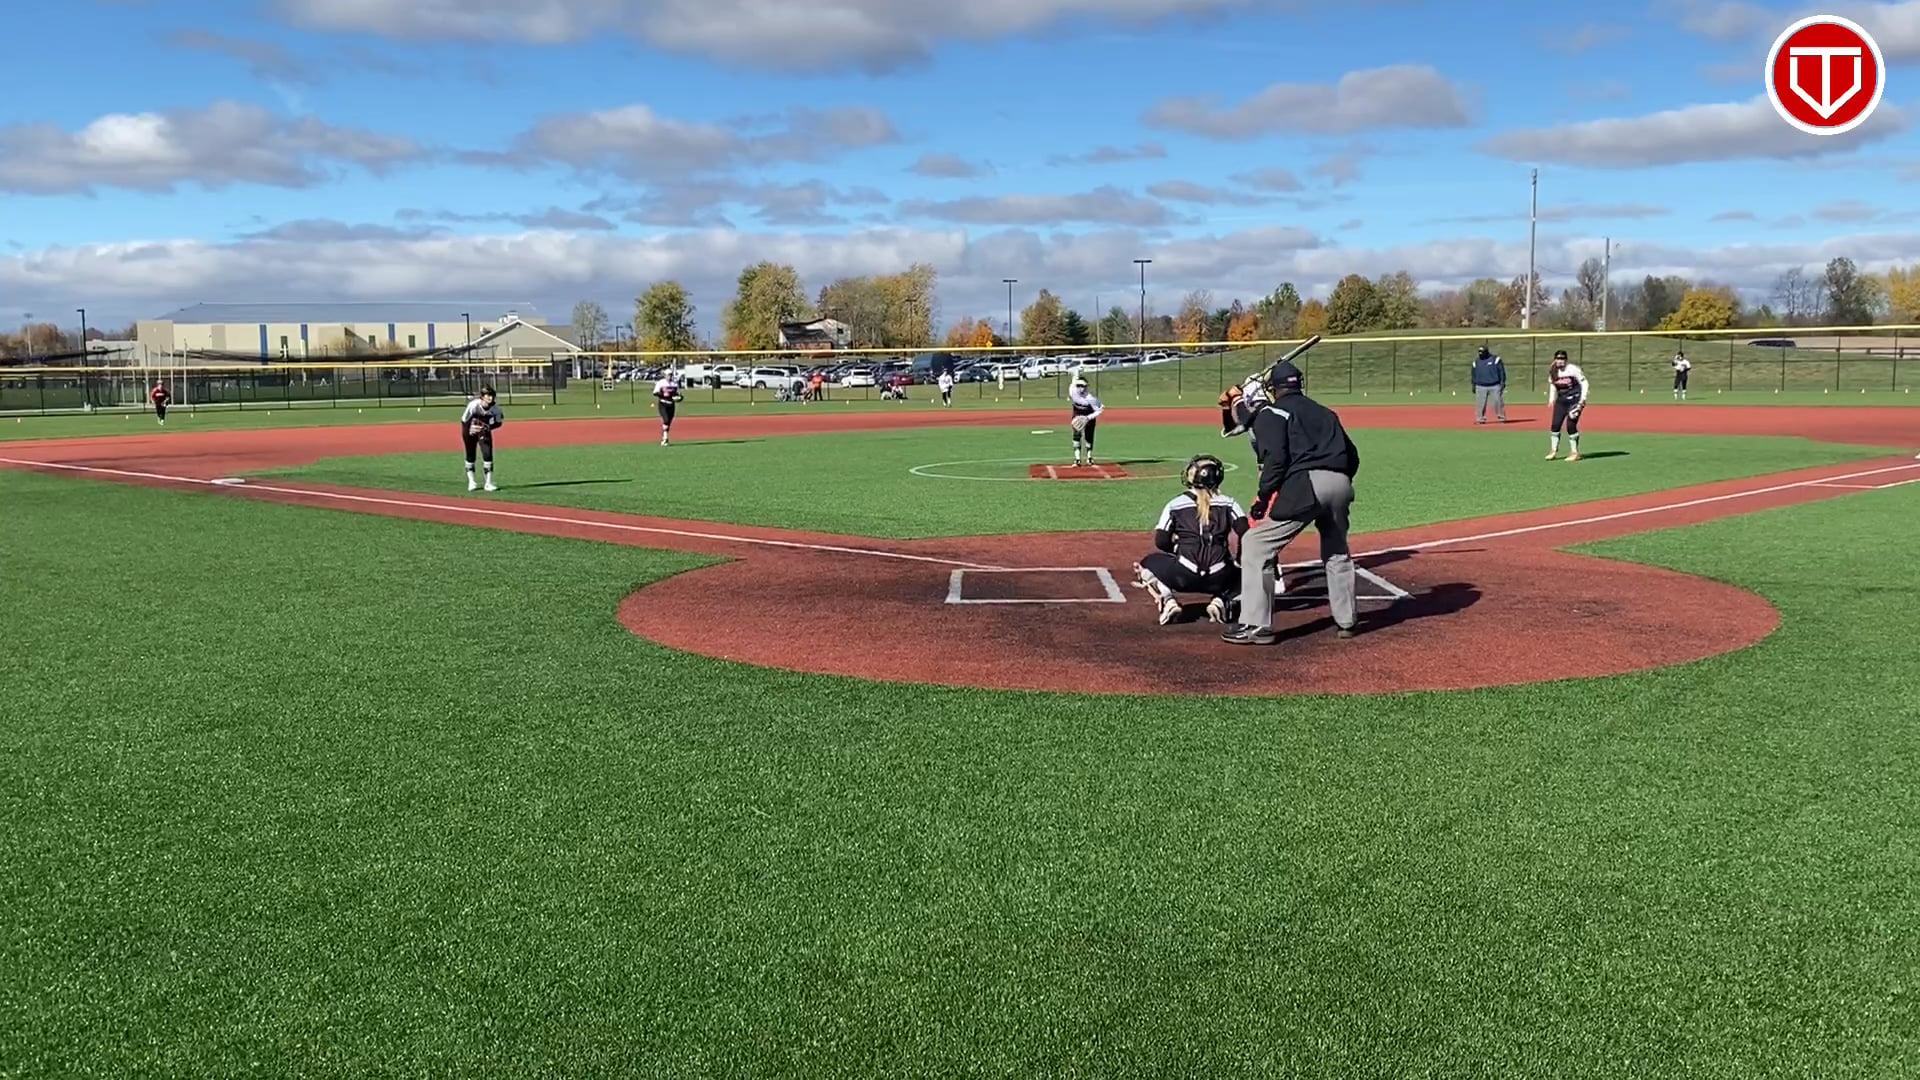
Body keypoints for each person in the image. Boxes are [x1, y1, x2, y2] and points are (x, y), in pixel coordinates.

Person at [1216, 361, 1360, 645]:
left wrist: (1263, 496)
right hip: (1342, 483)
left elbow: (1276, 459)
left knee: (1256, 544)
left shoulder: (1273, 412)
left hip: (1307, 484)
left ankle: (1256, 625)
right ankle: (1347, 621)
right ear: (1300, 384)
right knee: (1336, 551)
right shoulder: (1326, 413)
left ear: (1273, 389)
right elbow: (1352, 455)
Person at [1134, 454, 1248, 625]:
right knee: (1252, 572)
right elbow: (1247, 534)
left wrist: (1179, 549)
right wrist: (1239, 559)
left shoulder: (1175, 504)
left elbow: (1161, 541)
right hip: (1220, 577)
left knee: (1145, 564)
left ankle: (1168, 600)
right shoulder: (1230, 503)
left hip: (1183, 575)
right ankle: (1222, 600)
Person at [1546, 350, 1590, 461]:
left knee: (1570, 425)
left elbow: (1584, 383)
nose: (1560, 361)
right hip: (1561, 401)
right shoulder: (1553, 371)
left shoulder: (1573, 369)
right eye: (1558, 359)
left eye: (1562, 359)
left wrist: (1582, 399)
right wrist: (1551, 399)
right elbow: (1553, 385)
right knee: (1555, 425)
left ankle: (1575, 452)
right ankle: (1553, 450)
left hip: (1575, 400)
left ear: (1566, 360)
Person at [459, 385, 504, 491]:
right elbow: (464, 420)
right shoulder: (473, 405)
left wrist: (488, 427)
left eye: (492, 395)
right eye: (488, 395)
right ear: (482, 396)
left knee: (488, 455)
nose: (490, 398)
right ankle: (472, 482)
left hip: (484, 432)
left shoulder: (496, 409)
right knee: (470, 455)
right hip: (469, 431)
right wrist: (470, 429)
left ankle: (488, 483)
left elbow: (498, 423)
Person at [1069, 375, 1103, 466]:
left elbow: (1099, 410)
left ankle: (1089, 457)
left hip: (1089, 416)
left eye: (1083, 386)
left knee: (1089, 437)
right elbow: (1074, 378)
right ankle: (1077, 459)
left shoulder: (1090, 398)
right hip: (1077, 415)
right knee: (1076, 435)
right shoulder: (1072, 391)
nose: (1081, 388)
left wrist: (1088, 418)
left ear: (1086, 387)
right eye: (1078, 386)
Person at [1471, 344, 1507, 423]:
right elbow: (1473, 374)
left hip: (1495, 385)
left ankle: (1501, 418)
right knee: (1480, 404)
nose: (1480, 354)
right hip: (1480, 385)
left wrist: (1502, 382)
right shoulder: (1476, 362)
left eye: (1482, 352)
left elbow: (1501, 371)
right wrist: (1473, 384)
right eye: (1479, 352)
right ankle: (1480, 419)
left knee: (1498, 401)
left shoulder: (1496, 359)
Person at [652, 371, 683, 446]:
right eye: (668, 375)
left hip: (671, 405)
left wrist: (679, 398)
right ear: (665, 375)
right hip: (663, 404)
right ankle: (665, 438)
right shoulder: (661, 383)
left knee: (668, 422)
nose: (670, 376)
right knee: (665, 420)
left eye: (671, 375)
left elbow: (678, 393)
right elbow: (655, 393)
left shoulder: (674, 384)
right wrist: (663, 394)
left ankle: (664, 436)